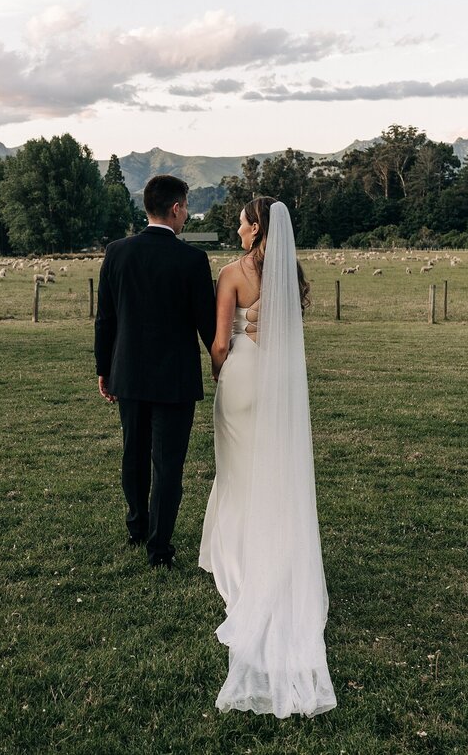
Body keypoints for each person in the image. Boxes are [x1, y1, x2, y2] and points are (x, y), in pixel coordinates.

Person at [199, 197, 336, 717]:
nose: (236, 228)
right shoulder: (290, 274)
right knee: (269, 477)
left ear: (256, 229)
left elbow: (218, 343)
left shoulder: (232, 273)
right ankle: (274, 557)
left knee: (235, 475)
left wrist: (220, 371)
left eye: (241, 221)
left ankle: (235, 562)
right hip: (275, 383)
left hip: (240, 381)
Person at [94, 175, 217, 569]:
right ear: (177, 208)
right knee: (168, 464)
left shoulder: (116, 252)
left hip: (127, 374)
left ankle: (137, 526)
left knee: (134, 453)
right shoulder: (193, 260)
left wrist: (103, 369)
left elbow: (105, 319)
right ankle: (159, 547)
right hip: (175, 381)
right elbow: (208, 326)